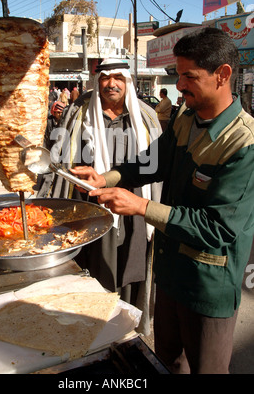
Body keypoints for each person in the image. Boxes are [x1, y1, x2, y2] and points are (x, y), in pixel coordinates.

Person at [70, 28, 254, 374]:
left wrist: (141, 207)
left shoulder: (244, 144)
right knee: (166, 362)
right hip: (168, 277)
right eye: (178, 75)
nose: (180, 85)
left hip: (207, 287)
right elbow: (151, 162)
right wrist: (105, 178)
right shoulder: (186, 120)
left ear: (223, 75)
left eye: (189, 76)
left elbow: (217, 228)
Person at [38, 58, 162, 335]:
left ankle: (126, 329)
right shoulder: (78, 112)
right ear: (97, 80)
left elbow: (157, 165)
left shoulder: (145, 116)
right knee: (94, 267)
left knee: (131, 266)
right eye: (105, 77)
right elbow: (57, 157)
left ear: (128, 80)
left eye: (118, 77)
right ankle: (90, 329)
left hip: (133, 207)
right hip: (90, 206)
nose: (111, 83)